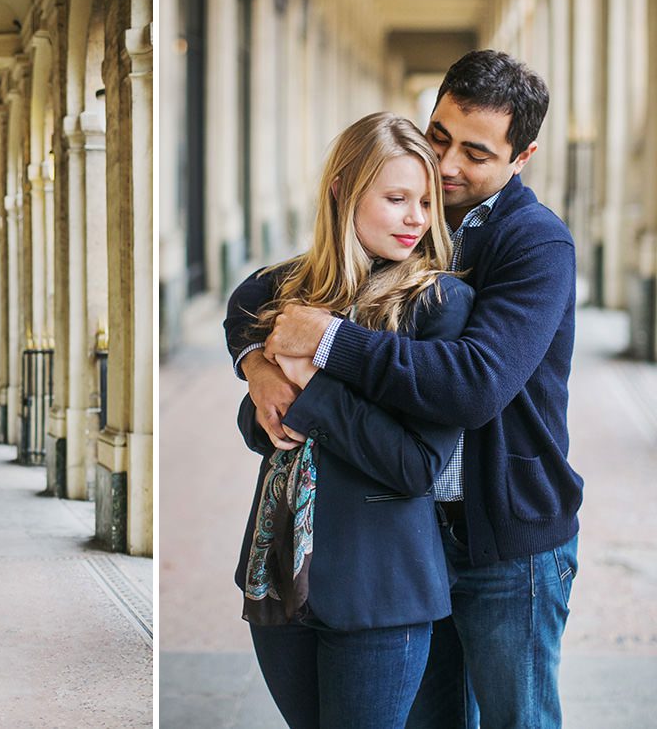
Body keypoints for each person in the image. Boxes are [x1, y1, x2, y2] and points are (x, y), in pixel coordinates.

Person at [225, 50, 582, 729]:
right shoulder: (420, 228)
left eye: (474, 153)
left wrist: (324, 343)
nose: (445, 166)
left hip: (507, 544)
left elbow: (474, 383)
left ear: (521, 157)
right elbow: (255, 296)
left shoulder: (536, 244)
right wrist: (257, 362)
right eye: (440, 136)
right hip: (412, 538)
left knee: (518, 720)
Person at [231, 111, 475, 728]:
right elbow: (241, 311)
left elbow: (415, 465)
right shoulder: (288, 292)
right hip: (279, 575)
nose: (418, 217)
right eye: (397, 198)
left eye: (424, 200)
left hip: (380, 592)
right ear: (342, 189)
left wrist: (310, 381)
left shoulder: (437, 305)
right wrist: (257, 372)